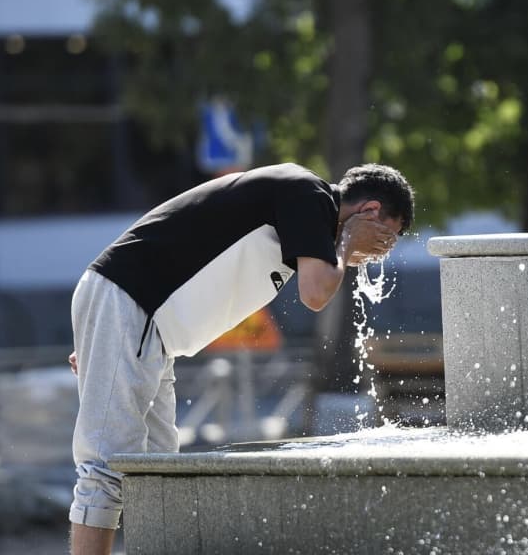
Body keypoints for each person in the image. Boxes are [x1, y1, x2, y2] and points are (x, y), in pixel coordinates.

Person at [66, 162, 414, 555]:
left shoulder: (304, 214)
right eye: (386, 237)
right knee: (107, 467)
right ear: (369, 212)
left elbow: (179, 235)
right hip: (130, 304)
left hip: (142, 323)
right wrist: (348, 241)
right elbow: (315, 294)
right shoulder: (309, 193)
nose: (380, 252)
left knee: (155, 469)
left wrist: (105, 336)